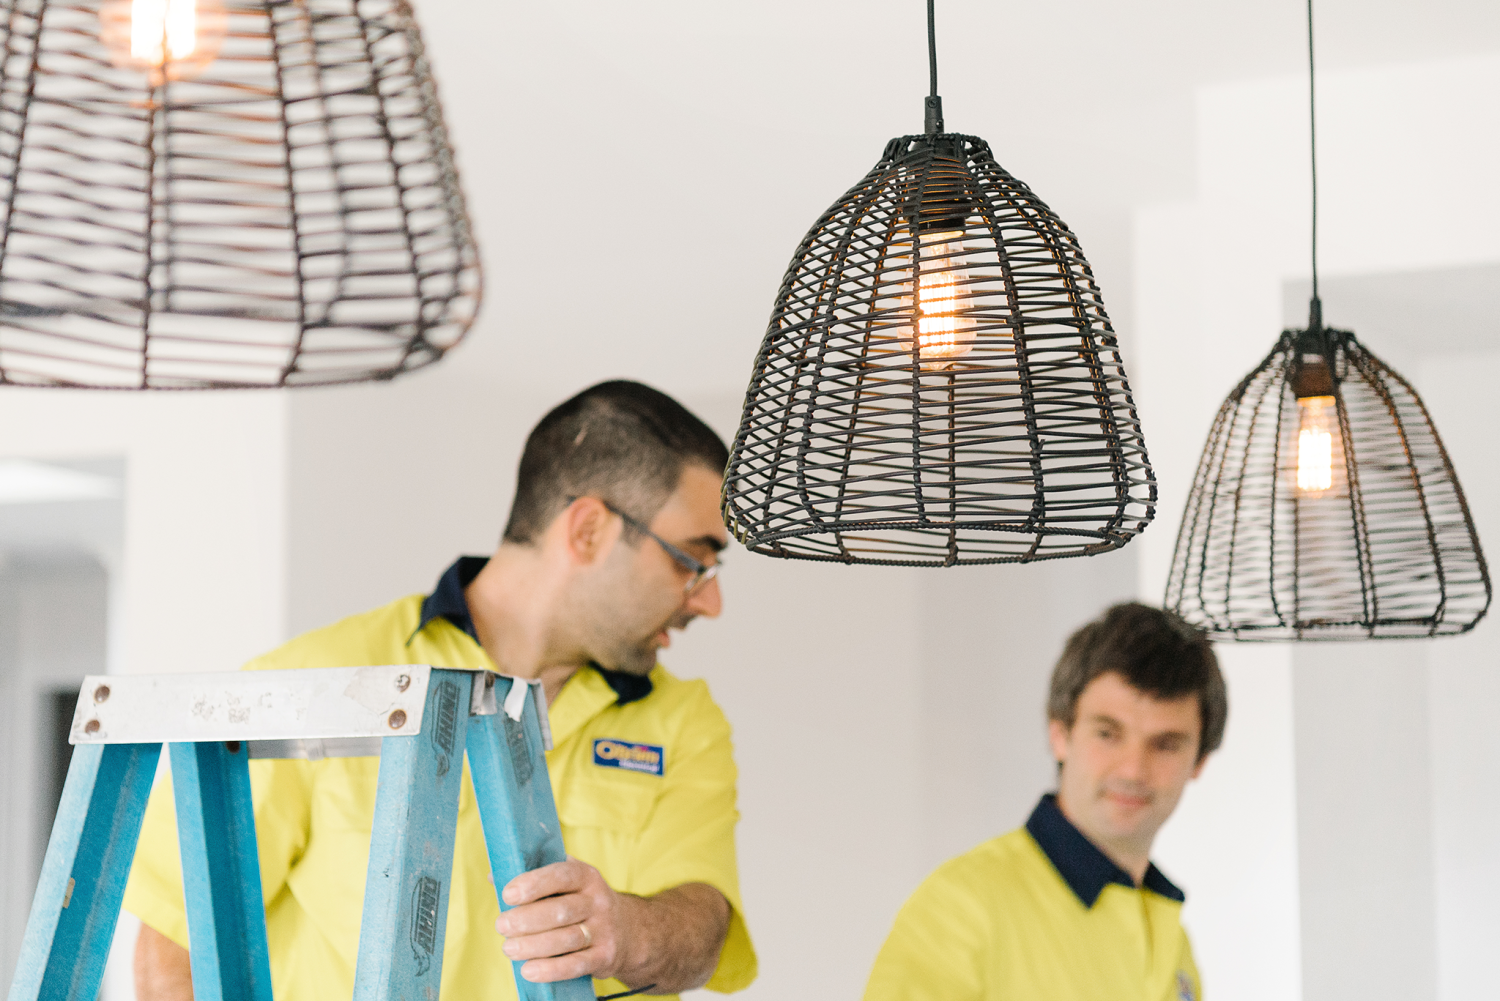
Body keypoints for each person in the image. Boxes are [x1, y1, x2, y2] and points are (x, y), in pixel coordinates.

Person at [125, 380, 757, 1001]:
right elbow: (178, 936)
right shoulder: (316, 680)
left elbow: (703, 923)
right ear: (588, 530)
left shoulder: (684, 721)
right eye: (691, 560)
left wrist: (628, 931)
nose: (710, 599)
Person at [863, 602, 1227, 1001]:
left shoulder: (1173, 938)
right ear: (1059, 734)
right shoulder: (960, 908)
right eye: (1108, 734)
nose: (1133, 770)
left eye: (1166, 744)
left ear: (1200, 761)